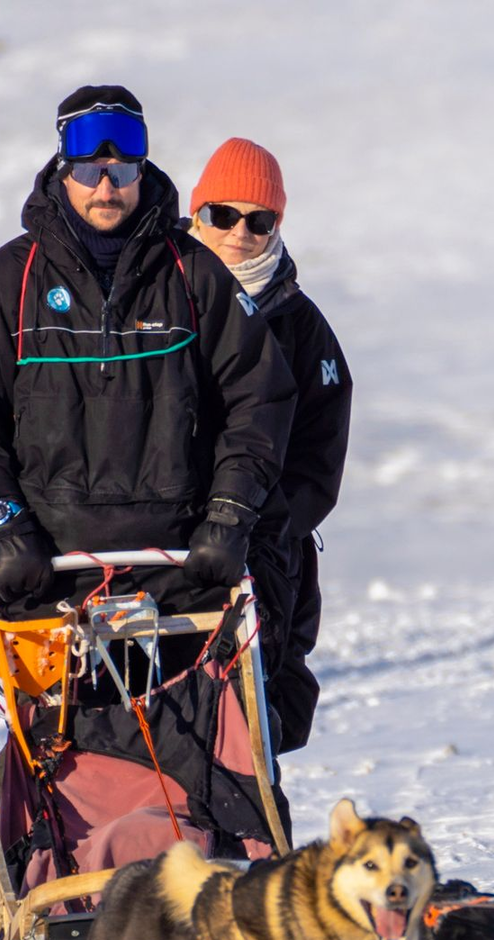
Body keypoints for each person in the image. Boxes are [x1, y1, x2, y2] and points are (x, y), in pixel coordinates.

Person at [0, 86, 298, 623]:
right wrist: (6, 521)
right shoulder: (8, 278)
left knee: (202, 707)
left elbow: (259, 401)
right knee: (53, 709)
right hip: (44, 567)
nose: (107, 187)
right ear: (63, 169)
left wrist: (229, 515)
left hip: (182, 571)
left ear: (142, 173)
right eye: (90, 171)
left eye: (123, 172)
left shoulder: (195, 274)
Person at [187, 138, 352, 752]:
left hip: (265, 551)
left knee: (257, 716)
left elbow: (321, 453)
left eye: (258, 220)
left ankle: (252, 838)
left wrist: (265, 528)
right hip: (163, 544)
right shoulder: (158, 298)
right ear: (197, 213)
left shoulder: (301, 324)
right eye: (223, 215)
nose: (239, 233)